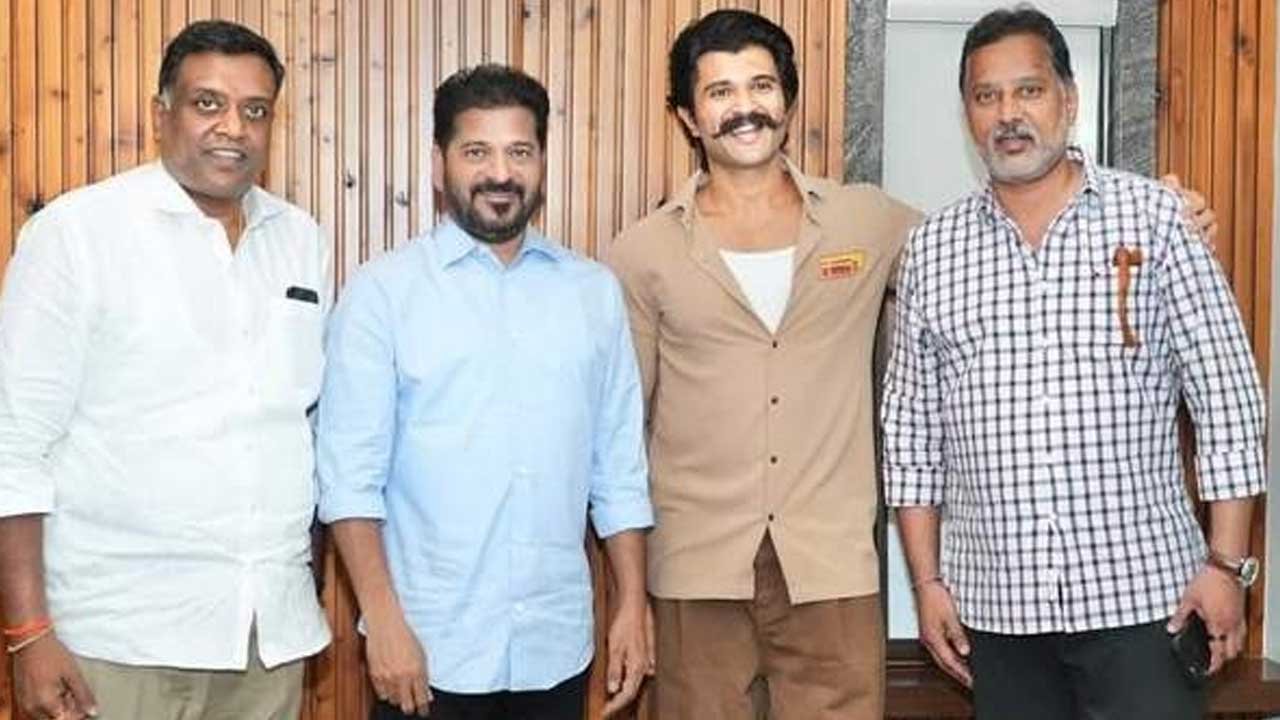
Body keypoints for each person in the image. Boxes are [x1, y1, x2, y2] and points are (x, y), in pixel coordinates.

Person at [608, 8, 1222, 719]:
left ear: (788, 101)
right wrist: (628, 595)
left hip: (832, 567)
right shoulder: (643, 253)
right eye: (720, 92)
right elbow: (621, 440)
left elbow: (991, 239)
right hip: (695, 569)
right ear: (688, 116)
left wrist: (1172, 216)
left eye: (761, 86)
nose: (745, 107)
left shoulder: (866, 221)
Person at [882, 6, 1265, 720]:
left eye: (1028, 90)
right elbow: (910, 433)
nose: (1008, 114)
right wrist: (927, 583)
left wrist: (1225, 564)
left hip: (1148, 603)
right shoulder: (932, 251)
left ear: (1069, 98)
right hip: (999, 609)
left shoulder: (1156, 220)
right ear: (967, 113)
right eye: (986, 95)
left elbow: (1229, 399)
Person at [0, 20, 332, 720]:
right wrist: (28, 632)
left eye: (255, 109)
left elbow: (301, 428)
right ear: (161, 115)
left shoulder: (301, 241)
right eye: (207, 103)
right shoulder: (77, 234)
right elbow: (14, 442)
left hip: (267, 635)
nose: (232, 128)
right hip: (120, 640)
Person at [316, 64, 654, 720]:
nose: (501, 173)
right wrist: (381, 620)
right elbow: (349, 481)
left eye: (519, 152)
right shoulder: (383, 294)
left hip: (556, 647)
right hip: (427, 649)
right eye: (477, 152)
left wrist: (632, 604)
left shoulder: (592, 293)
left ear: (542, 163)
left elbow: (619, 469)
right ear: (438, 165)